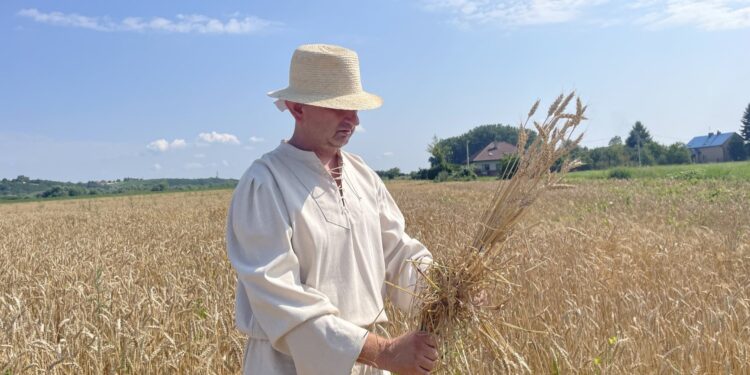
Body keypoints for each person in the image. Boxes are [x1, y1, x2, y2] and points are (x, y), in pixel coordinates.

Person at [226, 44, 438, 375]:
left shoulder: (362, 174)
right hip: (290, 366)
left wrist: (447, 288)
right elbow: (280, 298)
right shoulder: (265, 183)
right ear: (297, 108)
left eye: (354, 108)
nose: (353, 119)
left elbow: (398, 252)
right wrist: (382, 350)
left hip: (369, 364)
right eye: (339, 108)